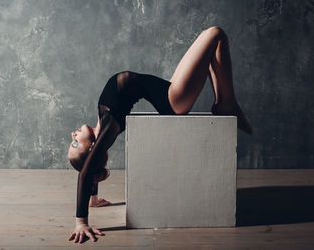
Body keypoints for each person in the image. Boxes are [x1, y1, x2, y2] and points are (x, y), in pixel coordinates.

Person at [67, 26, 252, 244]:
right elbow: (87, 171)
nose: (74, 134)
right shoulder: (109, 125)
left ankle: (224, 103)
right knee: (215, 34)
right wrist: (81, 222)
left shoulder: (103, 123)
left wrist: (94, 199)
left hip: (168, 91)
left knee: (213, 42)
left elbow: (92, 166)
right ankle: (227, 104)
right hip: (173, 100)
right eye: (75, 143)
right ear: (90, 148)